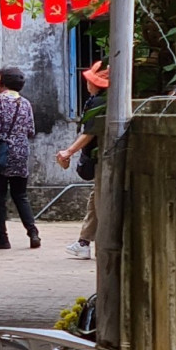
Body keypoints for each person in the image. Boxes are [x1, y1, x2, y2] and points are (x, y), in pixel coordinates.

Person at [0, 66, 40, 250]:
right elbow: (31, 131)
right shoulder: (25, 103)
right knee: (20, 195)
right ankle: (33, 232)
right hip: (21, 153)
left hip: (2, 153)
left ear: (2, 83)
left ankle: (2, 238)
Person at [56, 61, 107, 260]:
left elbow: (90, 132)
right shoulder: (100, 100)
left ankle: (88, 242)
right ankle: (84, 242)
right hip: (101, 159)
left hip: (102, 159)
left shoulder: (98, 103)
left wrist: (69, 152)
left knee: (98, 200)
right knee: (95, 199)